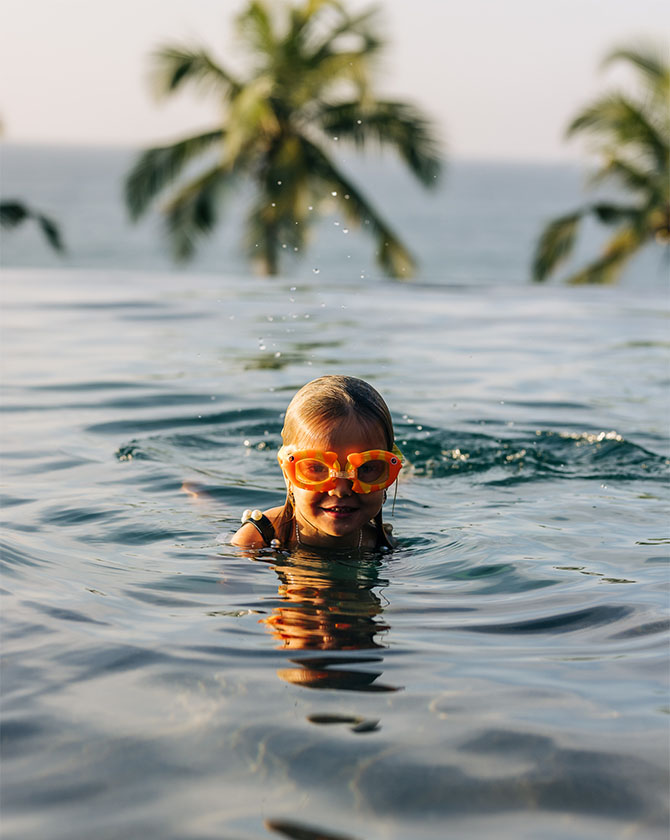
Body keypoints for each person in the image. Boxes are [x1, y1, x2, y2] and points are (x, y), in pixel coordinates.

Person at [231, 375, 403, 550]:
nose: (341, 490)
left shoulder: (382, 542)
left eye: (365, 468)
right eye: (317, 467)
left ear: (387, 473)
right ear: (286, 471)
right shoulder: (257, 539)